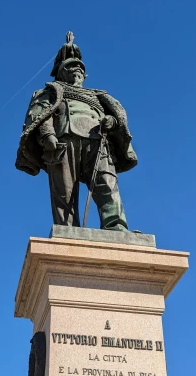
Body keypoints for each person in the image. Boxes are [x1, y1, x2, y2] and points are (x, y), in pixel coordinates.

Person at [15, 34, 137, 230]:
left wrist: (112, 121)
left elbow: (117, 118)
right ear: (61, 73)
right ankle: (67, 229)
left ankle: (116, 224)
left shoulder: (98, 96)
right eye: (71, 66)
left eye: (81, 67)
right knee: (64, 190)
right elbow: (40, 113)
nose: (78, 69)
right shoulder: (52, 91)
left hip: (98, 141)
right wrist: (47, 135)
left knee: (106, 183)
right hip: (63, 140)